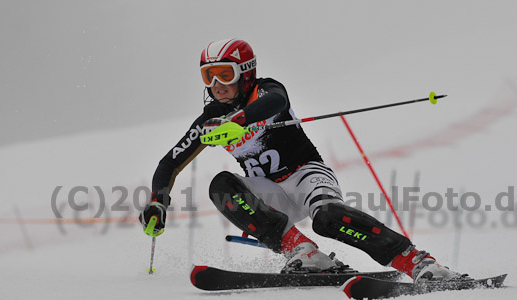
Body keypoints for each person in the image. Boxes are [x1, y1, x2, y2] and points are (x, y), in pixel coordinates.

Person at [139, 38, 465, 281]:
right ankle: (303, 251)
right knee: (222, 187)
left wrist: (236, 122)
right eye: (208, 76)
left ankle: (418, 262)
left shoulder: (265, 91)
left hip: (306, 175)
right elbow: (170, 162)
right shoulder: (209, 120)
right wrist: (157, 202)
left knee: (327, 218)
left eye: (224, 74)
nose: (216, 85)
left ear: (246, 72)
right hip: (269, 193)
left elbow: (275, 102)